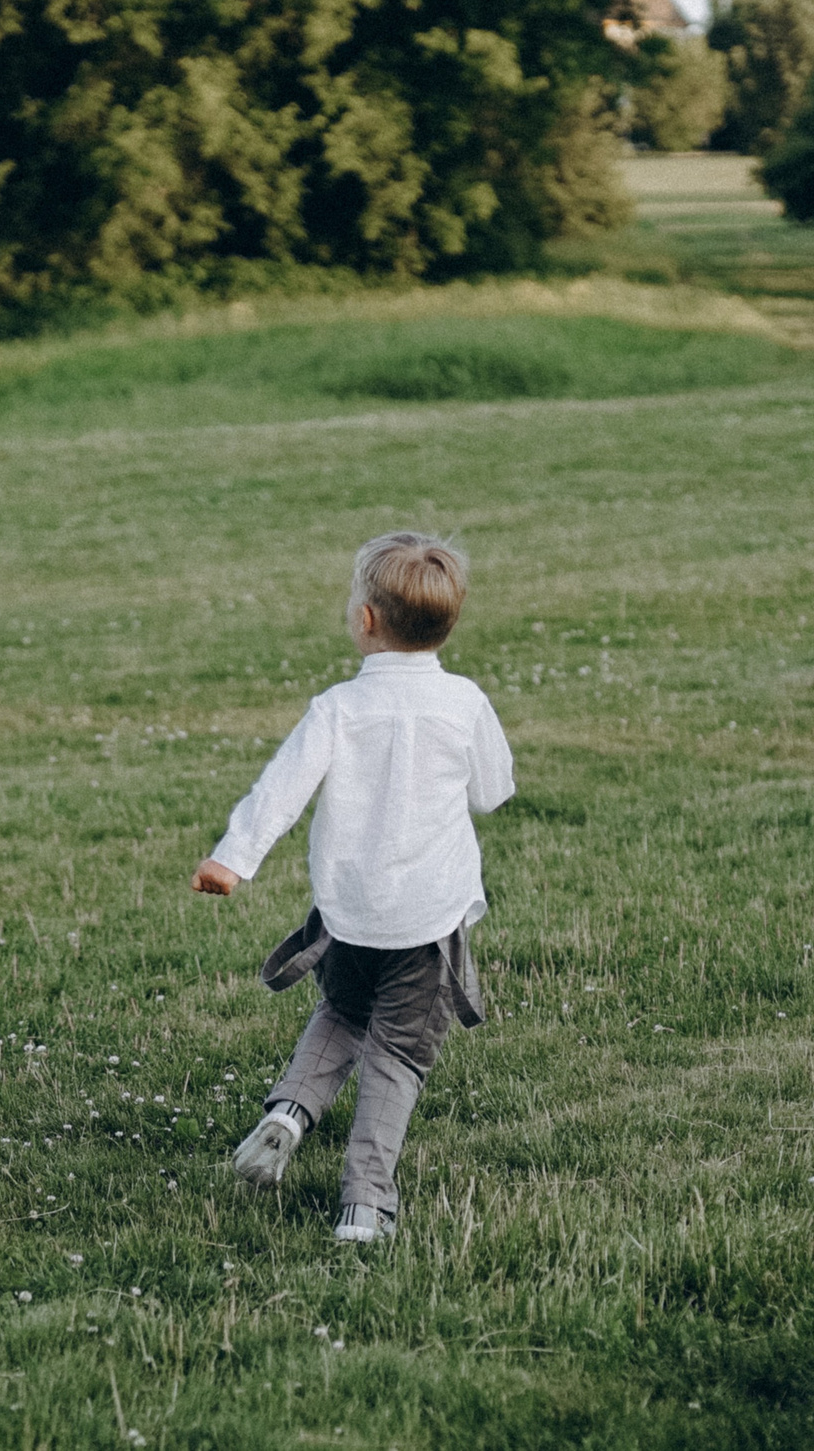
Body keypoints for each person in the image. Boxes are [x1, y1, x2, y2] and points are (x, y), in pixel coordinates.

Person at [191, 532, 514, 1242]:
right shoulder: (463, 702)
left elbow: (280, 791)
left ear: (366, 620)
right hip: (428, 918)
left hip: (348, 912)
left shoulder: (338, 707)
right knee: (397, 1050)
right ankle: (365, 1203)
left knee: (341, 1010)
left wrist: (231, 859)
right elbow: (494, 792)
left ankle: (288, 1113)